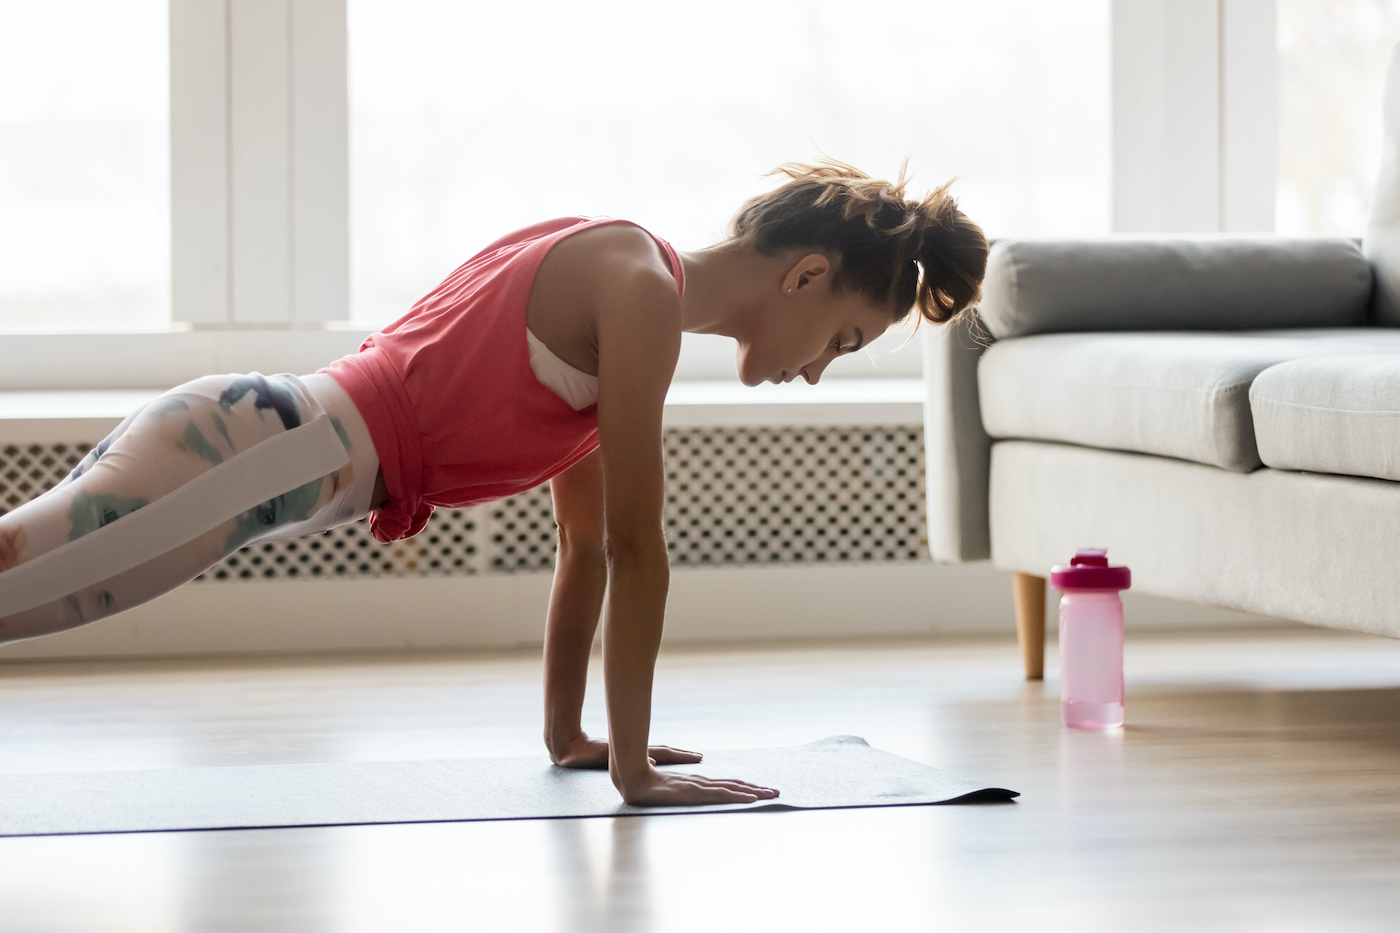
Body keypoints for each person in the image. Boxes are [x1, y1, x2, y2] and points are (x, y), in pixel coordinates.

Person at [0, 161, 988, 805]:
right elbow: (645, 550)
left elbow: (590, 545)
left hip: (248, 444)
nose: (818, 368)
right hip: (256, 455)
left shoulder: (630, 288)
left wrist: (575, 738)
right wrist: (637, 775)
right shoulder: (637, 292)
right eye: (842, 342)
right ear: (807, 275)